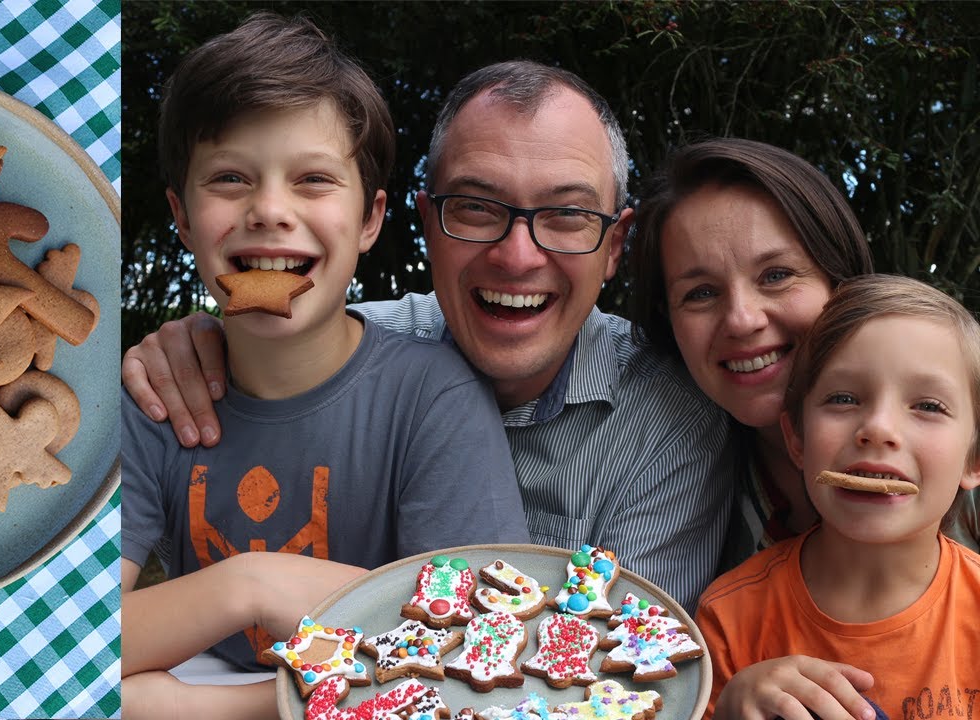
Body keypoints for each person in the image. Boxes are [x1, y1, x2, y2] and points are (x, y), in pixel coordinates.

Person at [123, 59, 736, 612]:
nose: (517, 256)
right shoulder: (336, 354)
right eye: (476, 208)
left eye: (567, 216)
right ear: (425, 224)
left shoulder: (670, 419)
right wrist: (198, 343)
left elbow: (613, 666)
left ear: (614, 247)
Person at [122, 14, 529, 719]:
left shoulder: (433, 398)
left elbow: (475, 646)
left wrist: (252, 601)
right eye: (229, 178)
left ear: (370, 220)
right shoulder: (154, 400)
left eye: (312, 179)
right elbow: (60, 649)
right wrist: (242, 596)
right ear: (182, 219)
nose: (270, 210)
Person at [628, 137, 980, 567]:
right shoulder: (673, 488)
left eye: (776, 275)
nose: (742, 319)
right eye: (701, 293)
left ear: (842, 284)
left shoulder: (959, 456)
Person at [695, 274, 980, 719]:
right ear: (798, 440)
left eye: (928, 406)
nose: (879, 429)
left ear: (974, 458)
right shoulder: (730, 617)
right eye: (844, 398)